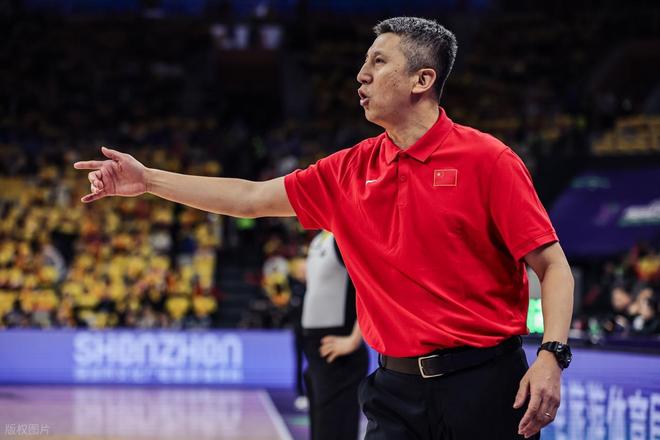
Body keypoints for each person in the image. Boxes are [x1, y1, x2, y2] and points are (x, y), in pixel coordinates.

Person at [74, 16, 574, 439]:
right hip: (395, 391)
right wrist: (149, 181)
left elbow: (552, 267)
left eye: (378, 62)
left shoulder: (488, 160)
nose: (361, 75)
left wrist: (551, 355)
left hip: (485, 385)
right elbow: (251, 198)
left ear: (422, 80)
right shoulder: (347, 170)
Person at [302, 230, 369, 440]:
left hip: (339, 350)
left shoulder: (344, 235)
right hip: (316, 349)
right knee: (320, 430)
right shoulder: (319, 238)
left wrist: (354, 339)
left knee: (333, 430)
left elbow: (371, 286)